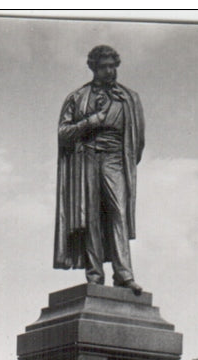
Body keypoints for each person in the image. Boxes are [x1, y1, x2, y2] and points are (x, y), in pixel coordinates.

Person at [55, 45, 145, 294]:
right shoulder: (77, 97)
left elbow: (138, 142)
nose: (109, 71)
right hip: (87, 159)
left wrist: (123, 161)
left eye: (113, 66)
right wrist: (91, 122)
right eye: (104, 67)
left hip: (115, 159)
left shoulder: (130, 98)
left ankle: (124, 275)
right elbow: (63, 133)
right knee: (91, 217)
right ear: (93, 68)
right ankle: (94, 275)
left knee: (118, 213)